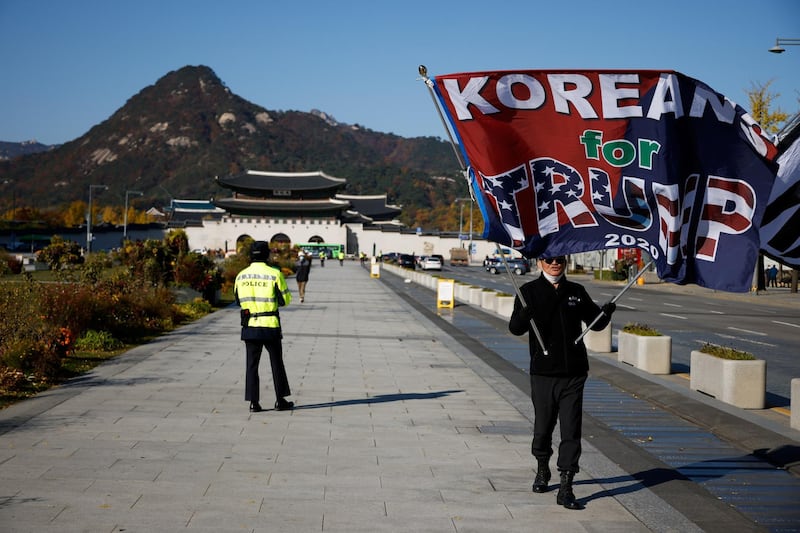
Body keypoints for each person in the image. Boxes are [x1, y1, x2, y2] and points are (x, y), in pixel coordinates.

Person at [508, 255, 615, 510]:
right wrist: (523, 316)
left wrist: (605, 314)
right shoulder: (528, 292)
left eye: (560, 259)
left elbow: (595, 324)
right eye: (549, 259)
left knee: (571, 428)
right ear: (539, 262)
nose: (555, 263)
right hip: (543, 373)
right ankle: (542, 467)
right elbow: (515, 328)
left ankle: (566, 485)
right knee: (543, 426)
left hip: (574, 373)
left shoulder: (576, 291)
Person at [234, 241, 294, 413]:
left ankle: (254, 402)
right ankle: (280, 400)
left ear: (250, 255)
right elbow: (286, 300)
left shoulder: (241, 276)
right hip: (270, 325)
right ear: (267, 255)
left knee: (251, 365)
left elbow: (237, 300)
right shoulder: (274, 274)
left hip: (250, 325)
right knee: (276, 362)